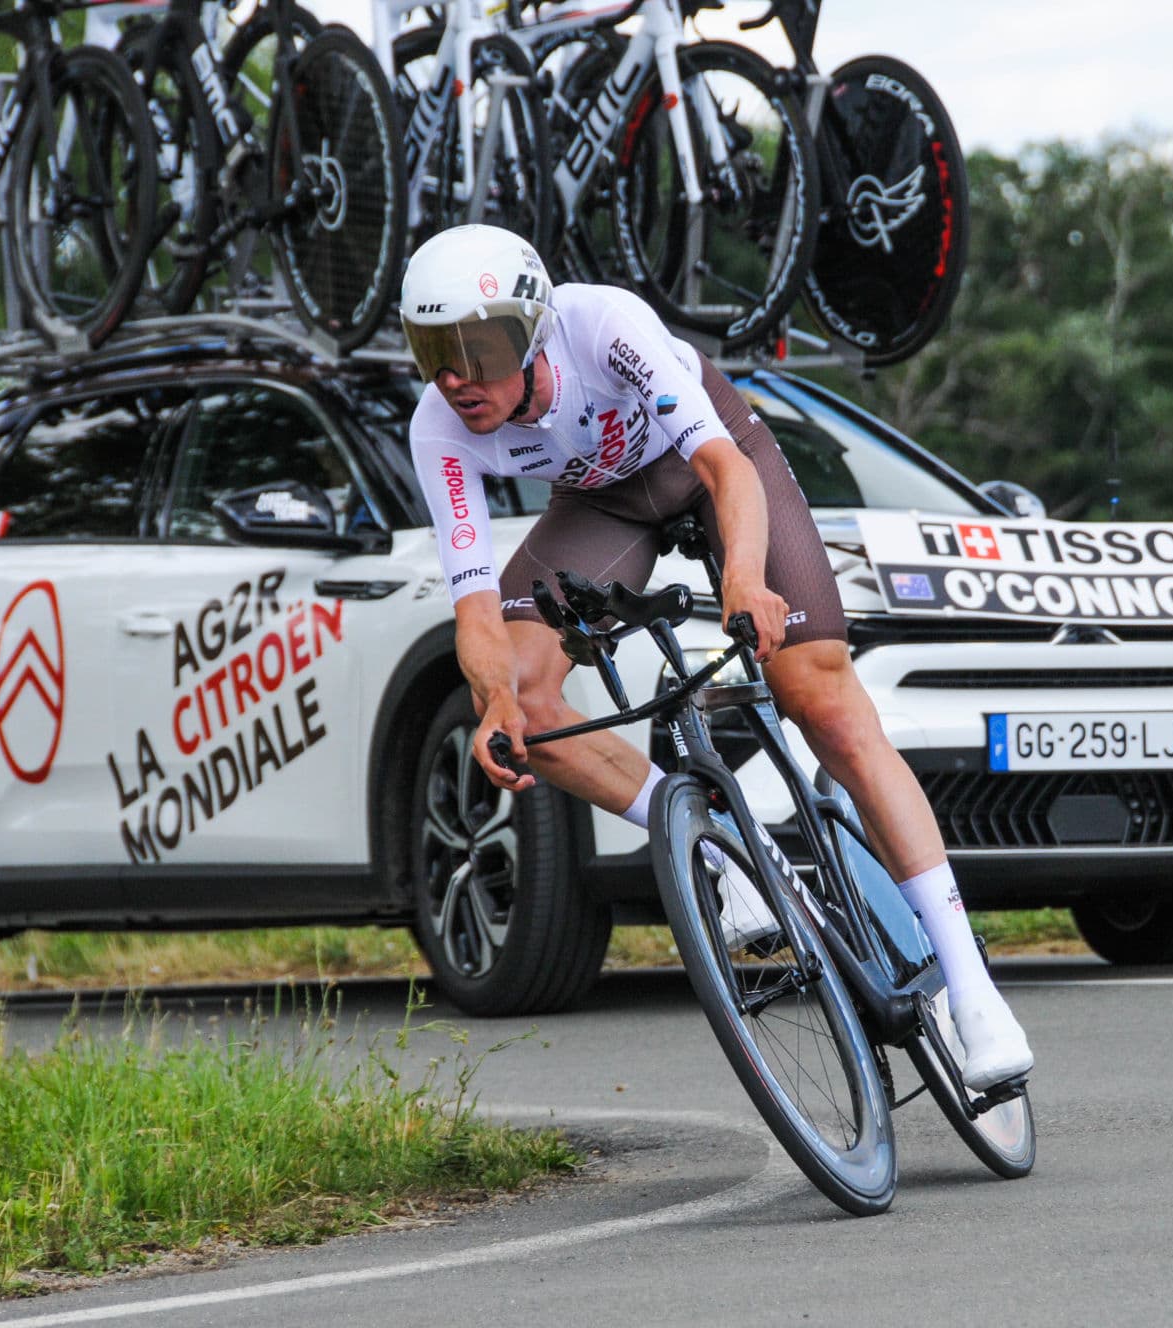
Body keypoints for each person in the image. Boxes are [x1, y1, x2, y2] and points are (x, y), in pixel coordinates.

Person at [401, 224, 1033, 1090]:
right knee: (529, 706)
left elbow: (725, 470)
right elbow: (474, 602)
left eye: (475, 348)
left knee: (821, 697)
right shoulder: (438, 426)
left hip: (716, 465)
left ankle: (972, 989)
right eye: (430, 351)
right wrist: (497, 703)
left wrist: (744, 580)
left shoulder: (604, 326)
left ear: (534, 329)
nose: (452, 377)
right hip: (605, 506)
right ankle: (724, 847)